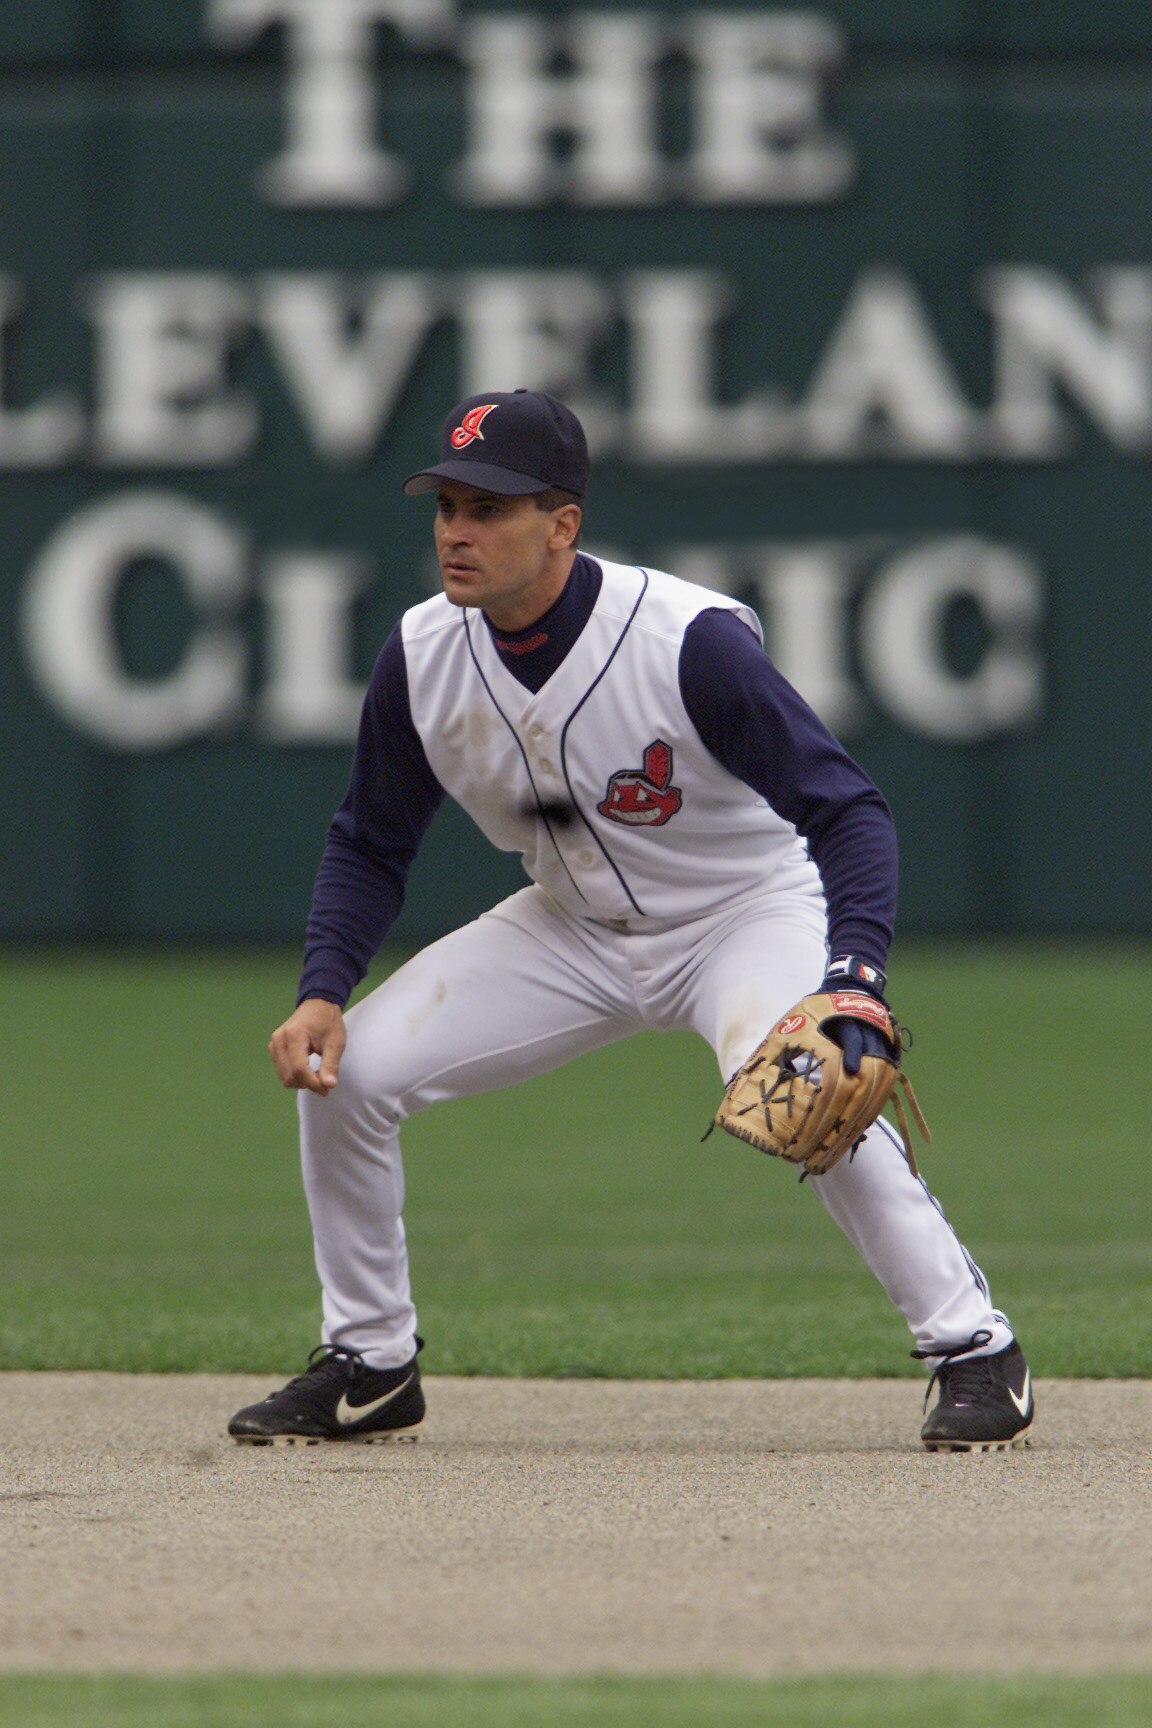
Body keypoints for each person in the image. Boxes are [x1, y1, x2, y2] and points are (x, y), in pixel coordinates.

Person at [228, 389, 1033, 1453]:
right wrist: (323, 988)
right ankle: (371, 1363)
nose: (457, 531)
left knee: (806, 1083)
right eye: (447, 505)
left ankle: (974, 1348)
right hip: (572, 927)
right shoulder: (424, 652)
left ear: (561, 523)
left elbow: (848, 809)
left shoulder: (684, 641)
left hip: (741, 911)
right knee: (349, 1072)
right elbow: (370, 840)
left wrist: (855, 977)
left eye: (489, 508)